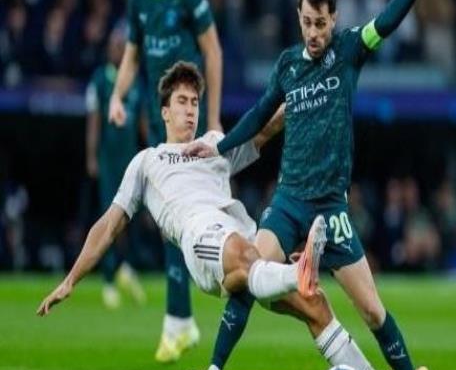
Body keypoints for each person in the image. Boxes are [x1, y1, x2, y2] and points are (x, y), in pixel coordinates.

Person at [184, 0, 441, 370]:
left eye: (321, 23)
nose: (314, 32)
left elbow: (387, 20)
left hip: (331, 207)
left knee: (372, 311)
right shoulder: (288, 65)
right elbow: (260, 114)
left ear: (334, 19)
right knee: (248, 274)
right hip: (289, 201)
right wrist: (219, 147)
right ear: (299, 17)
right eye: (307, 22)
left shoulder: (349, 49)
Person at [37, 60, 325, 348]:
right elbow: (108, 226)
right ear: (165, 112)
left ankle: (353, 369)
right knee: (249, 256)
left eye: (195, 102)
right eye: (182, 101)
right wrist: (70, 280)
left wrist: (303, 95)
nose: (190, 110)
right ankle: (295, 272)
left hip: (240, 233)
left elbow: (264, 130)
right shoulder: (147, 161)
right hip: (202, 239)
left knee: (314, 304)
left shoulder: (213, 144)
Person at [108, 0, 223, 363]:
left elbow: (213, 51)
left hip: (188, 121)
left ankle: (182, 319)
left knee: (182, 213)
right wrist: (117, 96)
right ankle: (180, 319)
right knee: (171, 218)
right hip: (161, 122)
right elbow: (131, 56)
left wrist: (213, 119)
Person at [85, 24, 146, 309]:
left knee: (131, 219)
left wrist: (155, 153)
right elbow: (94, 120)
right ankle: (109, 278)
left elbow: (143, 122)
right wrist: (91, 156)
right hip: (109, 160)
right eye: (113, 45)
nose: (116, 50)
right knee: (109, 218)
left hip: (130, 160)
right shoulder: (100, 80)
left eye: (121, 46)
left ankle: (126, 268)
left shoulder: (136, 81)